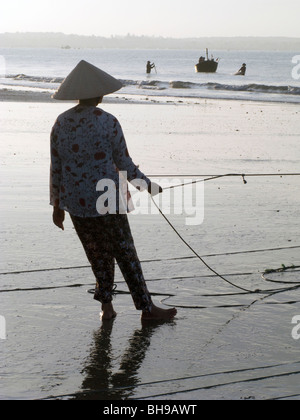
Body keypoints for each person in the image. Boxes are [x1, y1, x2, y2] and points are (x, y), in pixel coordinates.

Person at [50, 60, 177, 322]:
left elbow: (56, 167)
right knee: (125, 253)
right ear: (99, 94)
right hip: (109, 199)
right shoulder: (108, 121)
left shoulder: (61, 123)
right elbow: (125, 164)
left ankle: (106, 308)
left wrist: (57, 207)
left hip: (76, 202)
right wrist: (147, 186)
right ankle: (147, 309)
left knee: (97, 254)